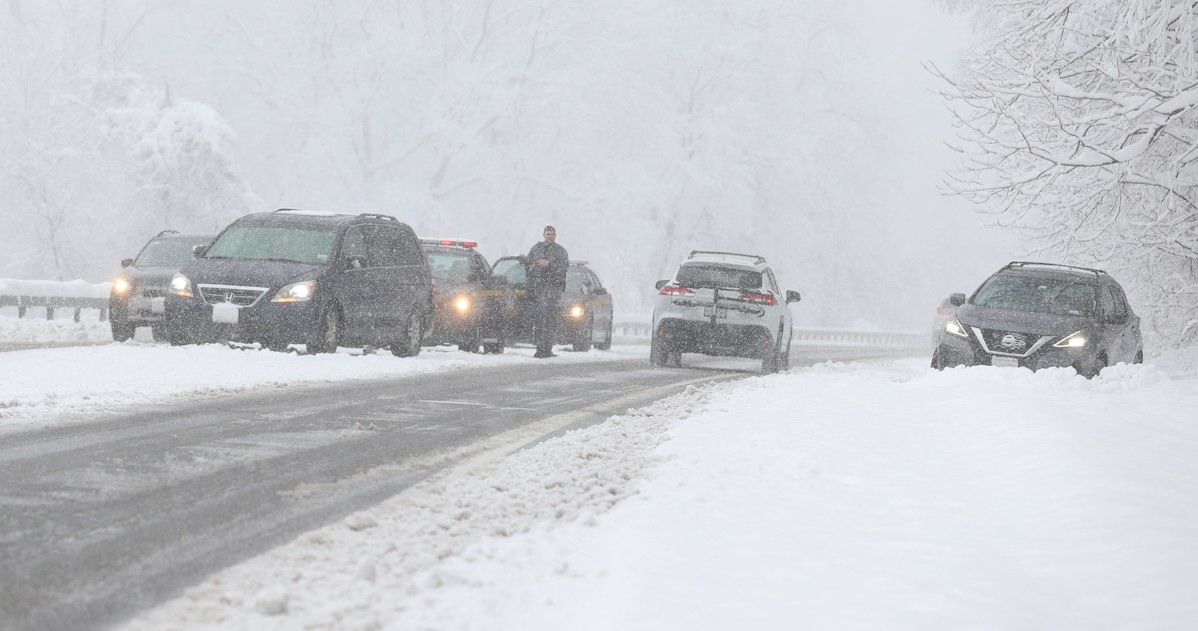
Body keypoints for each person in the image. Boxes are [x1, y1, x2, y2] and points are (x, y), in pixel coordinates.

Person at [527, 225, 569, 358]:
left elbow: (564, 267)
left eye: (552, 234)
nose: (550, 236)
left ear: (555, 235)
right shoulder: (536, 249)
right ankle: (540, 348)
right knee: (540, 319)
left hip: (553, 288)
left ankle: (547, 348)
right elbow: (528, 263)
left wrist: (550, 264)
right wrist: (536, 263)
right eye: (548, 234)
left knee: (550, 319)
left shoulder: (560, 251)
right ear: (543, 235)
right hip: (539, 289)